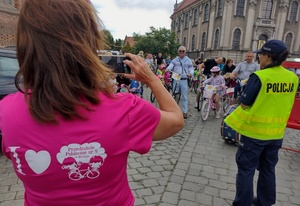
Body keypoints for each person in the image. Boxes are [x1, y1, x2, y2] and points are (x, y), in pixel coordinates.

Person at [0, 1, 184, 206]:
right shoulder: (124, 108)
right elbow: (176, 120)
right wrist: (151, 79)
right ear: (88, 42)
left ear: (25, 43)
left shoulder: (5, 112)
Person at [224, 40, 298, 206]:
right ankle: (265, 202)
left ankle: (243, 203)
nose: (259, 58)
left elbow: (244, 104)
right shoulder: (292, 78)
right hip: (276, 134)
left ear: (268, 56)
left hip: (254, 134)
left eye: (261, 55)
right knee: (268, 169)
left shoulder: (260, 77)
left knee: (246, 170)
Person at [166, 46, 194, 119]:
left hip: (184, 79)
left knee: (184, 96)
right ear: (178, 52)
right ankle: (174, 110)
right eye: (180, 51)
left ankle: (185, 112)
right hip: (176, 79)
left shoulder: (188, 60)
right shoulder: (175, 60)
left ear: (185, 52)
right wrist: (167, 69)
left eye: (183, 51)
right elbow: (171, 65)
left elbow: (191, 69)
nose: (181, 52)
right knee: (175, 94)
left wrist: (190, 73)